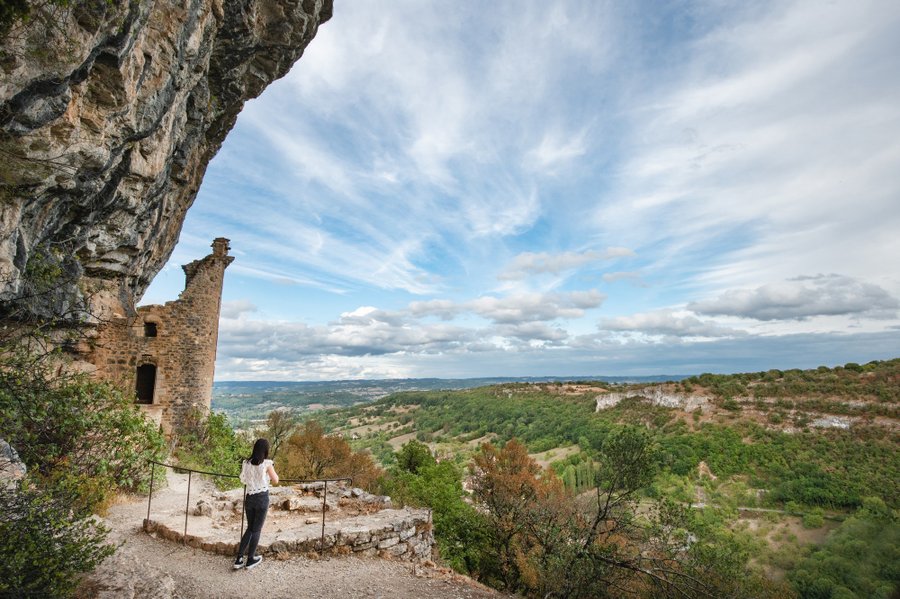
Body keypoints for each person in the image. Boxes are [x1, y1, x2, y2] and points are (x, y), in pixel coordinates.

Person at [234, 438, 279, 570]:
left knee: (250, 528)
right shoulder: (266, 464)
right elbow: (276, 480)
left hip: (249, 498)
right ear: (265, 450)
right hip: (262, 498)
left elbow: (243, 479)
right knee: (257, 529)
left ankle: (239, 559)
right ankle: (251, 559)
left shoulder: (246, 463)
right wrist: (266, 477)